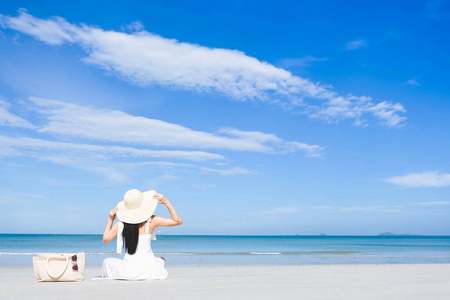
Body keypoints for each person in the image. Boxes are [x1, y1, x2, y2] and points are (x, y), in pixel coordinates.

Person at [101, 189, 182, 280]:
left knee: (107, 261)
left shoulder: (120, 224)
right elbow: (177, 221)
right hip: (149, 268)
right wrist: (167, 202)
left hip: (128, 271)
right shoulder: (152, 220)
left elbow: (105, 239)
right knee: (162, 259)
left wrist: (110, 220)